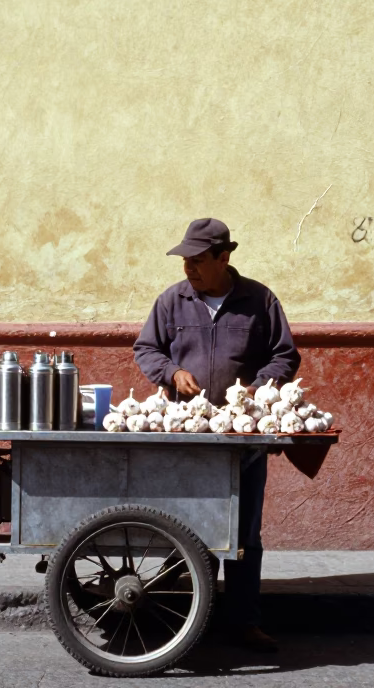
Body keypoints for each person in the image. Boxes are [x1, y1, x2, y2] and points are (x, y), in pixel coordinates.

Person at [133, 217, 300, 653]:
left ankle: (244, 622)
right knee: (183, 525)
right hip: (187, 435)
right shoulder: (172, 301)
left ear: (224, 258)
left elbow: (284, 356)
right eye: (185, 260)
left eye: (198, 260)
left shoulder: (259, 300)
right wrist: (172, 371)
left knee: (244, 532)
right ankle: (182, 617)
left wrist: (258, 387)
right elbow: (146, 348)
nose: (188, 268)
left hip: (242, 436)